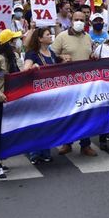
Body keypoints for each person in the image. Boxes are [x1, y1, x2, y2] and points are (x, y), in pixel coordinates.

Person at [50, 11, 98, 157]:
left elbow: (90, 55)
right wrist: (60, 58)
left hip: (85, 83)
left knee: (85, 114)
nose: (79, 22)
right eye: (76, 19)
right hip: (68, 83)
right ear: (71, 21)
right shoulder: (62, 37)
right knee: (68, 114)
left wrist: (93, 56)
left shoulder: (88, 37)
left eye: (81, 20)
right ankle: (67, 143)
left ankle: (85, 145)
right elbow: (50, 54)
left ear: (85, 22)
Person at [0, 29, 24, 180]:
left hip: (9, 100)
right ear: (8, 43)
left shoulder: (14, 57)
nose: (17, 42)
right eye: (14, 40)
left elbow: (21, 72)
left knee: (4, 132)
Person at [23, 27, 63, 164]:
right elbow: (24, 70)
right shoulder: (32, 54)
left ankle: (46, 152)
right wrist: (32, 67)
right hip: (36, 96)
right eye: (47, 34)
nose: (51, 36)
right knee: (36, 125)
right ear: (40, 39)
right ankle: (34, 153)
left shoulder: (51, 53)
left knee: (48, 124)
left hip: (50, 95)